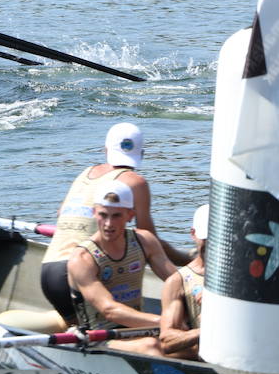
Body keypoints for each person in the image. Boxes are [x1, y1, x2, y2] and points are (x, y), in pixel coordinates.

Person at [40, 123, 192, 326]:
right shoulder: (135, 182)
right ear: (142, 154)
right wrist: (190, 260)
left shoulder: (87, 172)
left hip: (49, 271)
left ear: (105, 150)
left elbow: (61, 214)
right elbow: (150, 241)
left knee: (83, 331)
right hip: (84, 269)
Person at [65, 182, 175, 354]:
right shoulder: (82, 259)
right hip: (99, 337)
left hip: (140, 329)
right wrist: (166, 321)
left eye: (116, 216)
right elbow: (110, 310)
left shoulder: (144, 240)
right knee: (150, 346)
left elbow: (177, 282)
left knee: (194, 344)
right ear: (94, 213)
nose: (109, 223)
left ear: (130, 215)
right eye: (103, 215)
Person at [159, 204, 207, 361]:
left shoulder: (247, 273)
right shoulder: (177, 281)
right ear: (193, 234)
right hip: (209, 357)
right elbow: (167, 340)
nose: (213, 243)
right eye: (206, 237)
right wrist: (208, 331)